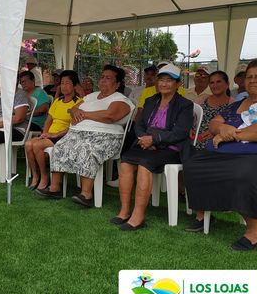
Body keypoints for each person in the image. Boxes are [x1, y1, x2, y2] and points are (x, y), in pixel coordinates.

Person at [183, 59, 257, 251]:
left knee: (242, 172)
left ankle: (254, 230)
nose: (252, 80)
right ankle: (203, 215)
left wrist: (231, 135)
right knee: (194, 163)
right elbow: (214, 123)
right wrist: (222, 128)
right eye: (249, 77)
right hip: (230, 156)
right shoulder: (236, 105)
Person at [37, 65, 134, 205]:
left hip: (106, 137)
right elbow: (73, 109)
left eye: (108, 78)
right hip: (78, 134)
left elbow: (110, 116)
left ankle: (86, 194)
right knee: (60, 146)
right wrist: (75, 111)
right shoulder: (91, 96)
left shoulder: (120, 99)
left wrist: (84, 115)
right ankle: (55, 188)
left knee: (87, 149)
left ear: (118, 84)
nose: (103, 80)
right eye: (102, 77)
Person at [113, 64, 193, 230]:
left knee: (144, 164)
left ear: (178, 84)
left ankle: (138, 216)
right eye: (161, 80)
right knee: (126, 161)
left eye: (169, 80)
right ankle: (124, 210)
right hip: (147, 144)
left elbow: (180, 133)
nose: (164, 84)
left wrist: (154, 139)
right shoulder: (151, 101)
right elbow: (139, 124)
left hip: (171, 148)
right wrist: (143, 138)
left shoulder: (184, 104)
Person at [25, 70, 81, 191]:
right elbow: (48, 120)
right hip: (50, 134)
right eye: (62, 83)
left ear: (74, 85)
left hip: (64, 136)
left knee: (37, 146)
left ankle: (44, 176)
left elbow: (74, 126)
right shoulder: (57, 101)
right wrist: (45, 133)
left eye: (67, 83)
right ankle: (35, 175)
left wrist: (55, 134)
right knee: (28, 144)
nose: (64, 86)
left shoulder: (79, 103)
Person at [191, 71, 233, 150]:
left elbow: (234, 125)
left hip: (216, 144)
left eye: (218, 82)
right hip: (193, 140)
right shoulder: (202, 98)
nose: (215, 85)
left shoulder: (233, 104)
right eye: (212, 83)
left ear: (227, 84)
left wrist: (216, 132)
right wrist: (189, 128)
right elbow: (188, 116)